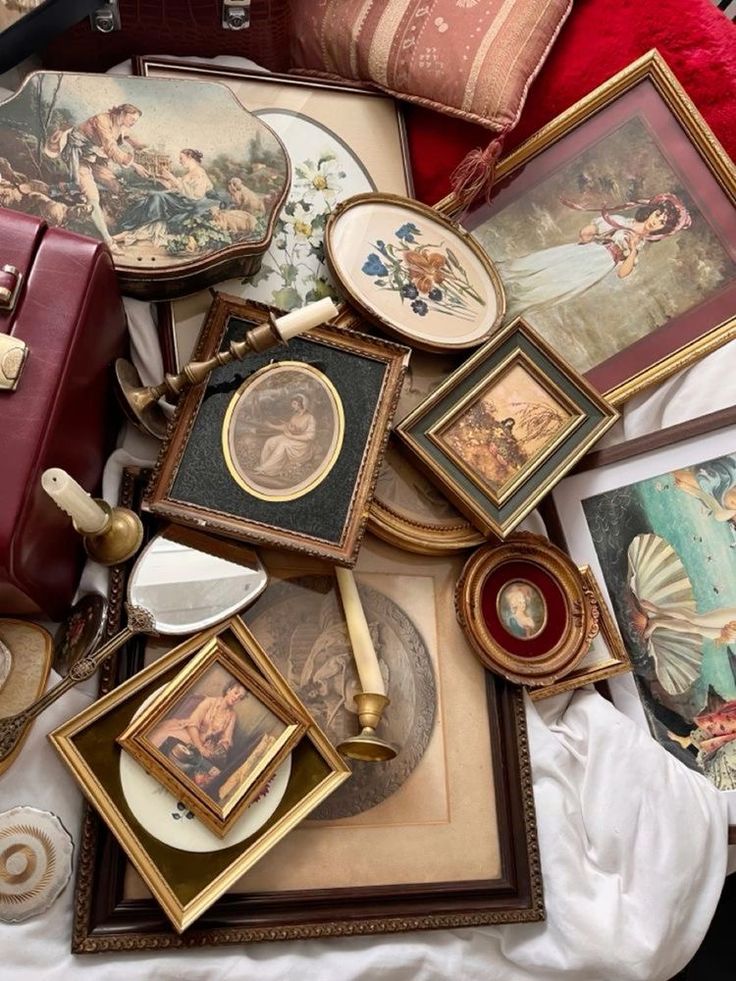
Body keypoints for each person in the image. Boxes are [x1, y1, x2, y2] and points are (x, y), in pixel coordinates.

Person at [498, 194, 691, 323]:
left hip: (597, 269)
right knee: (550, 270)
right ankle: (504, 287)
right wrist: (587, 240)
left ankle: (511, 307)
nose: (656, 221)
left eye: (662, 222)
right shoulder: (623, 222)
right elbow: (587, 232)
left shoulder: (638, 245)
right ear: (652, 211)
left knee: (559, 287)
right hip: (589, 254)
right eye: (658, 215)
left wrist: (631, 250)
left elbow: (623, 273)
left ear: (663, 228)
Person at [45, 103, 149, 250]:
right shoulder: (102, 120)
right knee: (93, 197)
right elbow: (110, 147)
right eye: (132, 119)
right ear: (122, 113)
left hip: (93, 157)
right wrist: (135, 165)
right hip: (78, 156)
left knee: (115, 185)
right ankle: (108, 241)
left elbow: (131, 139)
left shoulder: (121, 126)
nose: (133, 122)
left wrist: (145, 149)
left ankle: (120, 229)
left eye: (135, 120)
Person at [149, 678, 248, 788]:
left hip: (208, 744)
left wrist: (219, 751)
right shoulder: (209, 701)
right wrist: (200, 747)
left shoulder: (232, 715)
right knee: (168, 741)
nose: (236, 698)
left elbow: (226, 739)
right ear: (229, 690)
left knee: (209, 770)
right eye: (235, 693)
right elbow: (193, 724)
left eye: (240, 698)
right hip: (190, 733)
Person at [114, 147, 218, 248]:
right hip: (182, 200)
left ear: (190, 157)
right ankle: (130, 229)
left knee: (157, 197)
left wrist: (172, 178)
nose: (180, 161)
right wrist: (159, 178)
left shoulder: (199, 173)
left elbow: (195, 195)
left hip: (188, 203)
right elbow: (174, 187)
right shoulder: (190, 173)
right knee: (147, 198)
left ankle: (132, 230)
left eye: (181, 158)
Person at [253, 393, 316, 477]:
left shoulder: (310, 418)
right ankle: (264, 465)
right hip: (290, 438)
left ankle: (266, 469)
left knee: (283, 445)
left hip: (302, 445)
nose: (292, 405)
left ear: (302, 405)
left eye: (294, 404)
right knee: (270, 441)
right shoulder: (295, 416)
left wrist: (292, 436)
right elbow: (286, 427)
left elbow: (310, 436)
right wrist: (271, 426)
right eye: (292, 403)